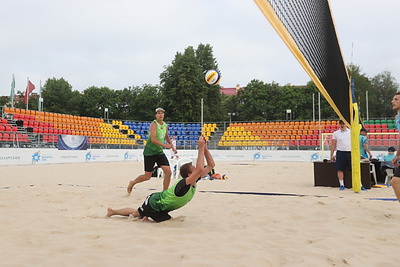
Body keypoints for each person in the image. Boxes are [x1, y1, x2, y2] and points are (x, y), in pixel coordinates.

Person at [107, 136, 215, 222]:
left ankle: (144, 217)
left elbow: (211, 165)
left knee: (159, 219)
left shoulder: (193, 181)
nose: (197, 170)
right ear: (189, 174)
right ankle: (113, 212)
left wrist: (204, 148)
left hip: (161, 206)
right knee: (138, 214)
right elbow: (200, 169)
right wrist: (200, 148)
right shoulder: (184, 183)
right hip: (154, 203)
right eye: (194, 169)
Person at [127, 108, 177, 193]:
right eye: (158, 113)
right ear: (156, 115)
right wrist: (165, 145)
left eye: (162, 113)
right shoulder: (154, 124)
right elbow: (153, 140)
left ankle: (164, 193)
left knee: (168, 172)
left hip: (159, 152)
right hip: (149, 152)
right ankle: (133, 182)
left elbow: (166, 137)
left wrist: (172, 147)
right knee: (147, 176)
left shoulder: (165, 125)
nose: (161, 115)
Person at [330, 120, 351, 190]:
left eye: (343, 124)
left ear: (346, 124)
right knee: (340, 169)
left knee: (353, 169)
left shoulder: (351, 132)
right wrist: (331, 154)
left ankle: (358, 183)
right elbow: (333, 144)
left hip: (350, 152)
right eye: (341, 124)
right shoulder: (336, 133)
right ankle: (341, 184)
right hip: (340, 152)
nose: (342, 125)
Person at [390, 92, 400, 202]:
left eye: (396, 99)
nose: (393, 101)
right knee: (395, 181)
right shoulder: (397, 117)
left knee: (395, 181)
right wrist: (397, 155)